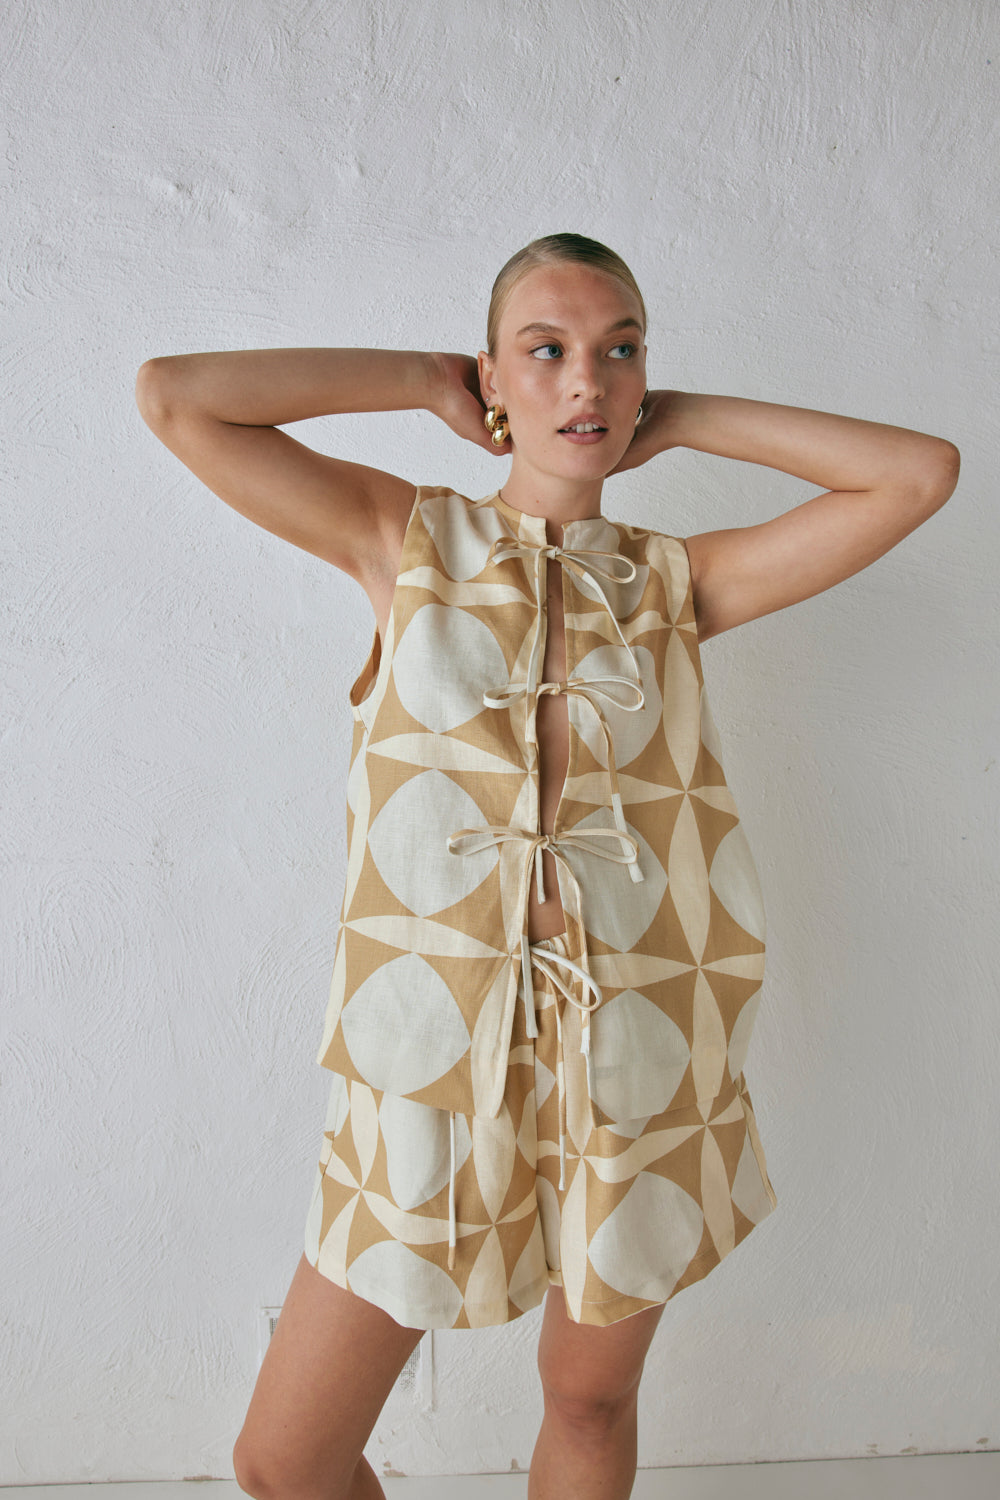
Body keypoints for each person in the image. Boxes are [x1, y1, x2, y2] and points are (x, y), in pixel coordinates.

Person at [135, 234, 959, 1500]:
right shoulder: (402, 538)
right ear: (494, 377)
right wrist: (421, 380)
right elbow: (176, 397)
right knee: (286, 1460)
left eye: (619, 350)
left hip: (635, 1049)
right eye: (548, 350)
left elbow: (917, 474)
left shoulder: (677, 582)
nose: (587, 379)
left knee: (587, 1396)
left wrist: (672, 418)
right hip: (430, 1053)